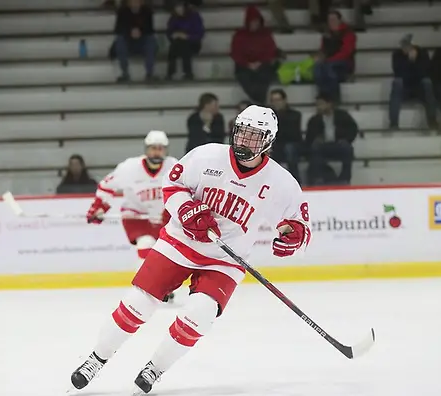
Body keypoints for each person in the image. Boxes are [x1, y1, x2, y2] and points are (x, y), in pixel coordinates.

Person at [70, 105, 311, 394]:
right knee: (138, 302)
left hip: (224, 260)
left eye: (254, 136)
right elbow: (171, 185)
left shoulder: (281, 183)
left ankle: (154, 369)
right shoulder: (206, 155)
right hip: (178, 243)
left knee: (201, 312)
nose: (245, 141)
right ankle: (96, 359)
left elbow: (299, 225)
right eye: (242, 133)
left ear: (268, 141)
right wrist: (187, 209)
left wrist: (293, 237)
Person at [87, 131, 178, 278]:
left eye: (160, 148)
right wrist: (99, 208)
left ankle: (163, 283)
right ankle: (147, 282)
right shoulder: (129, 168)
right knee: (145, 244)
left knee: (166, 252)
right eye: (153, 148)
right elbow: (107, 186)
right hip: (136, 215)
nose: (156, 152)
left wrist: (172, 211)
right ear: (146, 149)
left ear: (166, 150)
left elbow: (186, 188)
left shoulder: (173, 166)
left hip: (163, 217)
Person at [230, 5, 279, 104]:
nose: (254, 24)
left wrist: (260, 62)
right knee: (245, 78)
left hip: (263, 65)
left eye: (256, 22)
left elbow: (271, 51)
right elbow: (235, 53)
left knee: (264, 77)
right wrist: (248, 64)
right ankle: (260, 101)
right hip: (244, 66)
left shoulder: (266, 34)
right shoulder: (240, 35)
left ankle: (259, 102)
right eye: (252, 22)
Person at [305, 93, 358, 185]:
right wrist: (316, 139)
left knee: (348, 148)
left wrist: (346, 139)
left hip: (338, 144)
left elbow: (353, 129)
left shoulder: (342, 115)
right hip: (322, 146)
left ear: (329, 104)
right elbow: (309, 137)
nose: (318, 107)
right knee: (315, 148)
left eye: (321, 104)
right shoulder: (314, 120)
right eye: (317, 104)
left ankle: (344, 178)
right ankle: (318, 178)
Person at [389, 34, 438, 130]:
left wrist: (414, 61)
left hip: (419, 89)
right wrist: (409, 61)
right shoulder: (397, 55)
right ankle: (394, 123)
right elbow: (399, 74)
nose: (405, 48)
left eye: (407, 45)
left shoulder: (423, 54)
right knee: (397, 83)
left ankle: (432, 119)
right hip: (405, 90)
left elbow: (425, 73)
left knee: (427, 82)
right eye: (403, 45)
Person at [312, 10, 356, 102]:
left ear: (339, 20)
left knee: (329, 69)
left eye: (333, 19)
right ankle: (323, 98)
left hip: (344, 63)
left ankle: (334, 99)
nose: (331, 22)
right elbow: (322, 50)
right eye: (329, 20)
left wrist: (329, 60)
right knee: (317, 68)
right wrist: (319, 57)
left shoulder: (348, 33)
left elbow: (346, 52)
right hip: (328, 62)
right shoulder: (326, 34)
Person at [113, 0, 157, 82]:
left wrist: (140, 31)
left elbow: (150, 29)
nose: (135, 3)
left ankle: (149, 73)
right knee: (120, 40)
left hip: (143, 41)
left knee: (151, 40)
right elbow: (118, 29)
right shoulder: (122, 11)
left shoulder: (147, 11)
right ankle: (125, 73)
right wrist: (130, 31)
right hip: (128, 41)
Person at [268, 88, 303, 185]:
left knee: (290, 149)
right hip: (275, 145)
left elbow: (292, 134)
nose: (276, 103)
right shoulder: (268, 116)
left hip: (291, 144)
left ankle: (296, 181)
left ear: (284, 100)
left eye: (278, 100)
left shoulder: (295, 115)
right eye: (273, 101)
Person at [165, 0, 205, 81]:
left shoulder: (194, 16)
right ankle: (171, 72)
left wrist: (187, 36)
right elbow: (169, 33)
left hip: (193, 44)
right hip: (177, 44)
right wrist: (174, 35)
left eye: (180, 7)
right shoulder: (173, 18)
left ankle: (187, 72)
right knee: (175, 45)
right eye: (176, 7)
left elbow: (200, 34)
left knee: (184, 44)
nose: (178, 9)